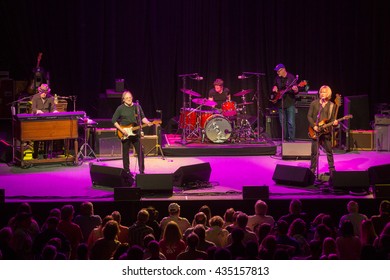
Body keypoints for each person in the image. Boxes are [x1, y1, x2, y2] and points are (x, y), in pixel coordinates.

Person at [112, 90, 153, 177]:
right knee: (125, 154)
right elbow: (113, 120)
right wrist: (122, 130)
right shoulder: (120, 108)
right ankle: (127, 172)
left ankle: (141, 172)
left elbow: (143, 118)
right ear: (123, 99)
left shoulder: (137, 107)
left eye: (130, 97)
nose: (129, 99)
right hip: (124, 133)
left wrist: (148, 122)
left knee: (140, 152)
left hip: (135, 133)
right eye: (127, 98)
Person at [307, 85, 338, 175]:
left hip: (326, 131)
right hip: (315, 131)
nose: (322, 94)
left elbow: (332, 119)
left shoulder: (332, 105)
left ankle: (332, 170)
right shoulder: (314, 103)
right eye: (321, 92)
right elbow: (309, 116)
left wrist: (335, 123)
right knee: (314, 152)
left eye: (324, 92)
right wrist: (314, 125)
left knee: (329, 151)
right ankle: (312, 170)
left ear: (328, 93)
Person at [271, 64, 299, 142]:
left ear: (283, 69)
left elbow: (296, 91)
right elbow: (274, 88)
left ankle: (292, 140)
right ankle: (285, 139)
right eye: (277, 71)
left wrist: (296, 89)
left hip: (290, 102)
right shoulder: (277, 78)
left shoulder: (291, 77)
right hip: (280, 103)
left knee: (290, 122)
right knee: (282, 122)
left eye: (279, 71)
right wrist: (274, 88)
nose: (277, 73)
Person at [31, 83, 58, 158]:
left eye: (46, 93)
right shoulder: (35, 97)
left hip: (47, 120)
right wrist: (37, 111)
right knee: (37, 137)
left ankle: (45, 155)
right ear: (39, 91)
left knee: (47, 137)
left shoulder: (50, 98)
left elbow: (53, 108)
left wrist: (55, 111)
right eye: (43, 93)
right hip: (37, 120)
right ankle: (35, 154)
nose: (44, 94)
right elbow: (33, 108)